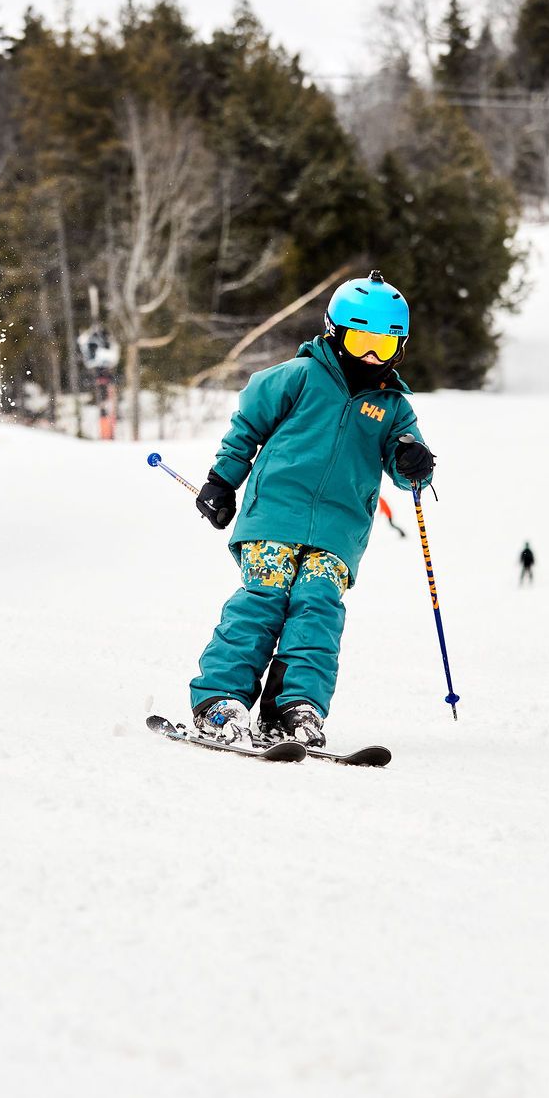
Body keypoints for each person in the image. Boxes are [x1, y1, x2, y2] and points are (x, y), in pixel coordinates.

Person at [186, 271, 431, 749]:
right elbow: (246, 428)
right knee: (264, 599)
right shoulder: (298, 377)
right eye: (360, 340)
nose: (368, 356)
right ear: (334, 333)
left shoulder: (393, 408)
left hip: (338, 533)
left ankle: (293, 709)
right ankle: (220, 699)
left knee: (317, 610)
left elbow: (409, 472)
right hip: (274, 514)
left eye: (381, 347)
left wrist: (414, 461)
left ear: (399, 348)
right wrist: (221, 482)